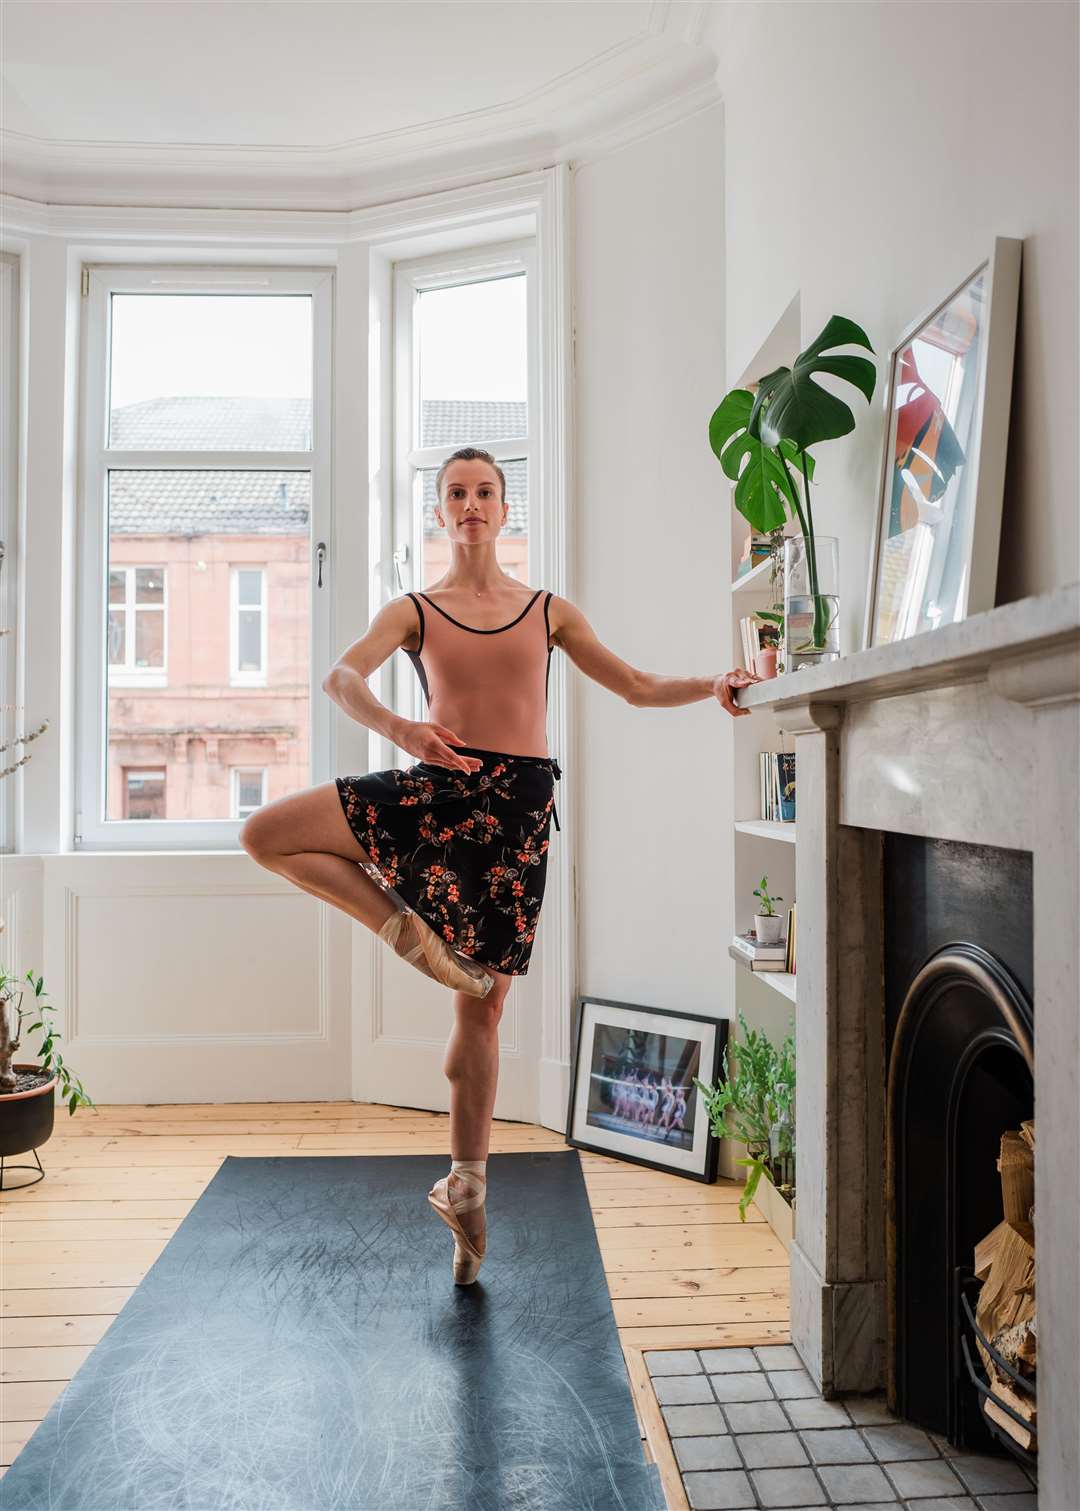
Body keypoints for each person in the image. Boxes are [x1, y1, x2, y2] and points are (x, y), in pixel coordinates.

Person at [239, 445, 759, 1284]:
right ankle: (401, 927)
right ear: (440, 512)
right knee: (266, 832)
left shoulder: (547, 610)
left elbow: (631, 683)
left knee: (478, 1015)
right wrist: (406, 732)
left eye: (484, 492)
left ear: (505, 510)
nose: (471, 504)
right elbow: (342, 677)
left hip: (516, 817)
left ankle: (469, 1189)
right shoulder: (415, 608)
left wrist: (712, 683)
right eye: (456, 493)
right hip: (441, 788)